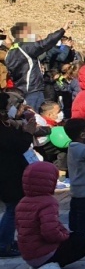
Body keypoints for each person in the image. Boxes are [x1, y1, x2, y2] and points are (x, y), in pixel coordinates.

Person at [16, 161, 85, 269]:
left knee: (76, 237)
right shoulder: (48, 202)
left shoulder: (22, 202)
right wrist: (64, 237)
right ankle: (49, 263)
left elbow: (20, 228)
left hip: (29, 254)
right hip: (45, 253)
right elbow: (50, 232)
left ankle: (38, 264)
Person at [0, 93, 37, 256]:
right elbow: (17, 145)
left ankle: (6, 239)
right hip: (7, 173)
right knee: (12, 208)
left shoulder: (6, 125)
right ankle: (3, 244)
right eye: (8, 105)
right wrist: (28, 133)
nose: (11, 108)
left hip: (12, 170)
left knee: (14, 207)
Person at [5, 21, 72, 110]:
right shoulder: (26, 47)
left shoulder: (10, 51)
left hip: (20, 89)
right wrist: (62, 30)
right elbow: (45, 43)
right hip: (33, 89)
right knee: (36, 119)